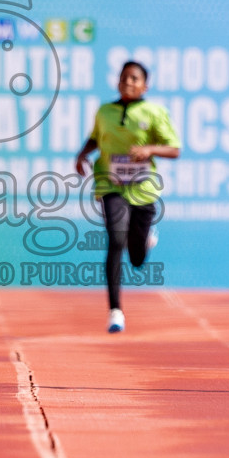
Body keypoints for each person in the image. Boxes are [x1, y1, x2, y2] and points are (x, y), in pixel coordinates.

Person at [74, 61, 181, 333]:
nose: (128, 82)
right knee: (115, 239)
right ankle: (115, 310)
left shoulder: (154, 112)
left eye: (135, 78)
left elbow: (174, 148)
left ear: (145, 85)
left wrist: (150, 150)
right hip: (111, 184)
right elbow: (95, 138)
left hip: (143, 188)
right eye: (124, 78)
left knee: (135, 258)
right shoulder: (105, 111)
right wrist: (82, 154)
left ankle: (145, 240)